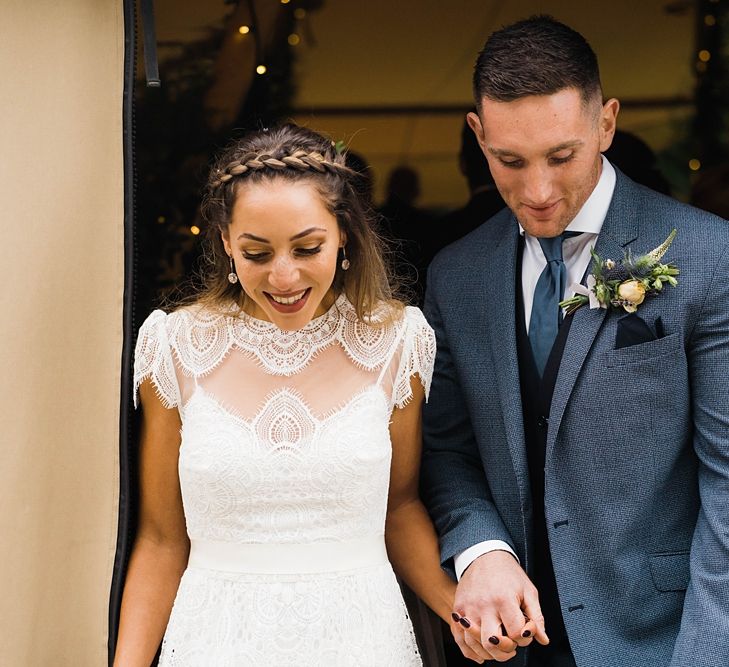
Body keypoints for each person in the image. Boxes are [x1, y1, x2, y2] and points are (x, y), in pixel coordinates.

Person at [422, 15, 729, 667]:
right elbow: (445, 451)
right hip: (510, 652)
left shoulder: (708, 256)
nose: (536, 191)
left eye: (561, 156)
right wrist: (482, 549)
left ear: (606, 124)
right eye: (509, 160)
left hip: (661, 640)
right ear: (477, 134)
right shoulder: (456, 275)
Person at [113, 124, 463, 666]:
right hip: (214, 642)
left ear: (342, 233)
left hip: (363, 642)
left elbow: (400, 506)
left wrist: (459, 609)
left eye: (307, 248)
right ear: (227, 242)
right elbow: (161, 541)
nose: (284, 276)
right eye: (257, 253)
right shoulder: (173, 346)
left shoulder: (398, 341)